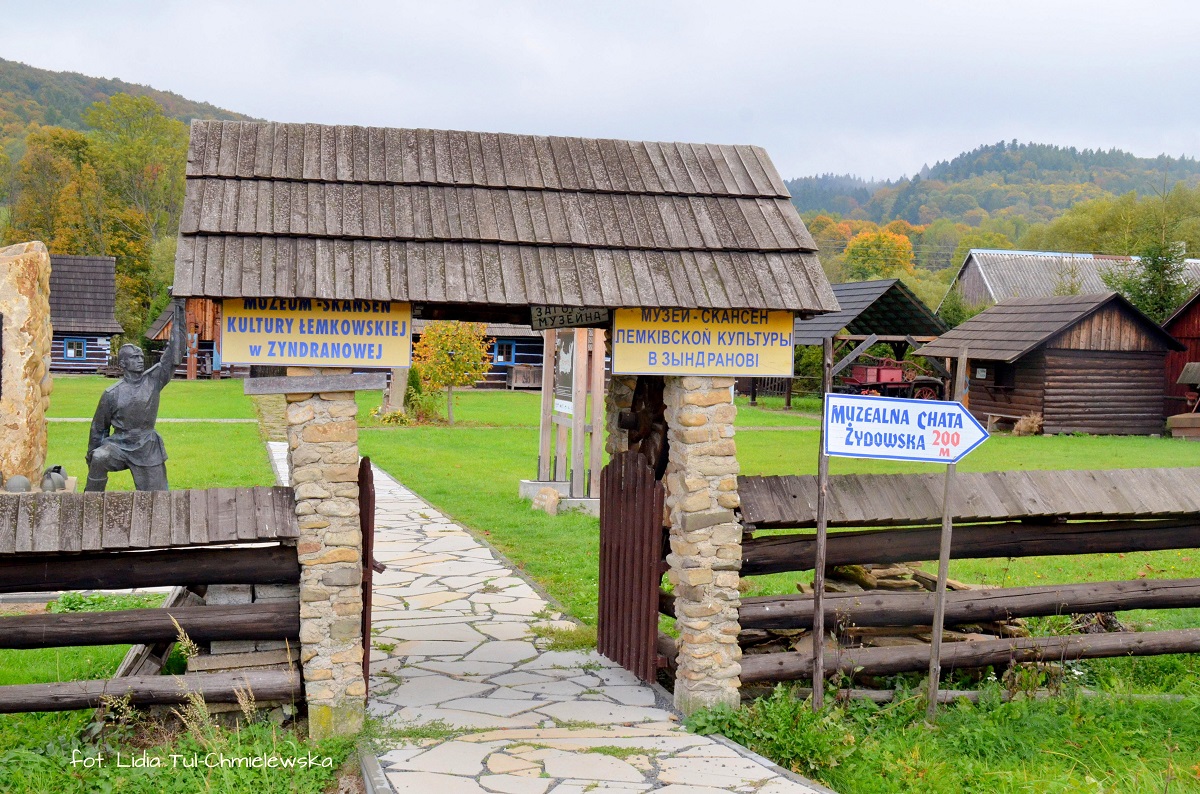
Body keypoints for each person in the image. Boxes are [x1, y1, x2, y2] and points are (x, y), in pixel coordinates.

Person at [86, 299, 187, 491]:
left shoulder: (154, 380)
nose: (140, 360)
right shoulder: (111, 394)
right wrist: (91, 454)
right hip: (119, 445)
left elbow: (176, 351)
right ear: (123, 364)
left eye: (141, 357)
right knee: (98, 458)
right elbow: (98, 428)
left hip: (147, 446)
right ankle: (90, 502)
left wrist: (179, 308)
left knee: (157, 497)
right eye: (134, 358)